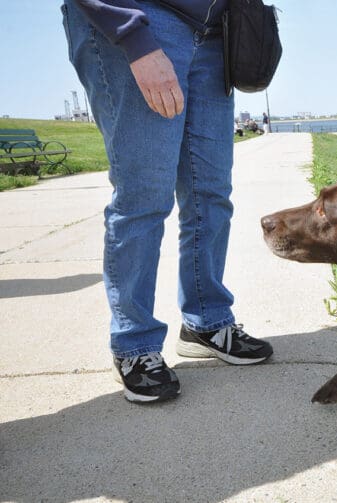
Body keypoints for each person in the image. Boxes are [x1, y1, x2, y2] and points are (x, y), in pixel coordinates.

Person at [61, 0, 273, 404]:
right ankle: (134, 343)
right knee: (144, 198)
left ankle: (206, 322)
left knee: (212, 196)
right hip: (140, 17)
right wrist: (132, 36)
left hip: (215, 33)